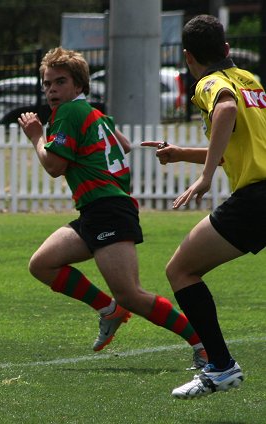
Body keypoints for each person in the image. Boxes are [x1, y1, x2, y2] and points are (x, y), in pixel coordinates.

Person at [17, 46, 207, 368]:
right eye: (47, 84)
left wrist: (36, 135)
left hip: (108, 210)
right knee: (42, 264)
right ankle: (110, 311)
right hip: (95, 209)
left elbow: (55, 167)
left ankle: (204, 345)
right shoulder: (92, 113)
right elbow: (125, 145)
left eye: (60, 82)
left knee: (132, 294)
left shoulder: (67, 114)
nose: (51, 90)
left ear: (78, 86)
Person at [142, 14, 266, 398]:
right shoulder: (253, 82)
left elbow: (225, 112)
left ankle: (221, 367)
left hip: (256, 198)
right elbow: (241, 144)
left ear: (187, 57)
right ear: (227, 49)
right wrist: (182, 155)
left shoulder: (209, 83)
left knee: (180, 270)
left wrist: (207, 176)